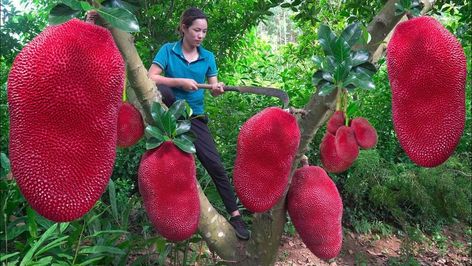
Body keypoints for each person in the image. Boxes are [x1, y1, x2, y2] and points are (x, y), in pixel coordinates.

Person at [147, 7, 250, 240]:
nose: (200, 35)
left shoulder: (208, 57)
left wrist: (217, 88)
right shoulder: (168, 51)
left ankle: (235, 216)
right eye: (196, 30)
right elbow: (149, 76)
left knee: (216, 166)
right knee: (162, 88)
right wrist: (180, 82)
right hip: (170, 117)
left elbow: (213, 89)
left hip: (195, 119)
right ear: (184, 28)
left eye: (204, 31)